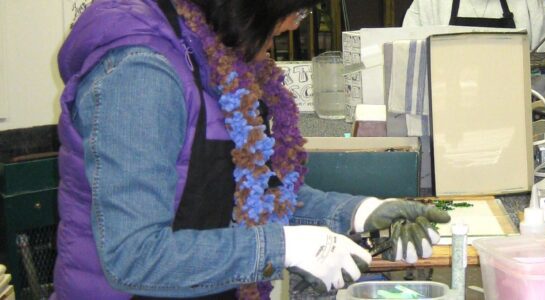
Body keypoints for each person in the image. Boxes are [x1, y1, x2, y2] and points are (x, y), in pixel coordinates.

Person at [54, 0, 449, 299]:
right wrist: (287, 246)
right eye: (297, 10)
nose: (296, 22)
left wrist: (359, 213)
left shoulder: (214, 56)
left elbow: (250, 192)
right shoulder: (140, 74)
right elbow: (134, 257)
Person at [403, 0, 545, 101]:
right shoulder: (429, 4)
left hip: (514, 119)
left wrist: (529, 83)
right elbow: (409, 65)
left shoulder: (529, 4)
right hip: (447, 124)